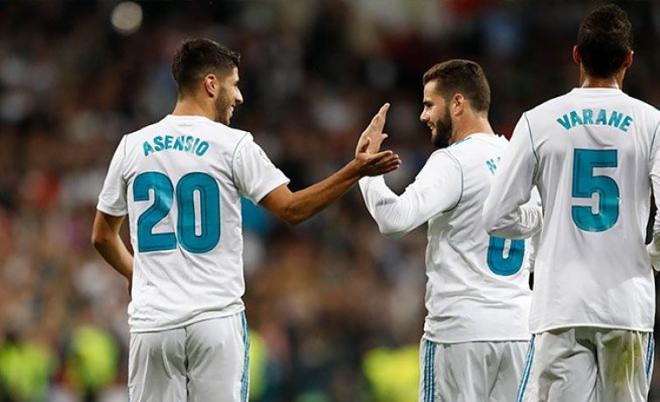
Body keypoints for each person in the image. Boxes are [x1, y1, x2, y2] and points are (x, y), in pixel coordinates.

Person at [90, 38, 400, 402]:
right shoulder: (233, 145)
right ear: (210, 84)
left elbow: (102, 236)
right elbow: (293, 209)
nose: (238, 96)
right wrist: (354, 170)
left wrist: (135, 274)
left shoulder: (132, 145)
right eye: (234, 84)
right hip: (215, 321)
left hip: (153, 324)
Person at [482, 4, 660, 402]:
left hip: (560, 305)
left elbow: (495, 216)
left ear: (576, 55)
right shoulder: (652, 123)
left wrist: (542, 218)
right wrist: (654, 255)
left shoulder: (537, 120)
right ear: (629, 59)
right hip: (625, 306)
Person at [358, 59, 539, 402]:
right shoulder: (522, 160)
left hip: (460, 332)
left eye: (429, 104)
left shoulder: (454, 162)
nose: (423, 115)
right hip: (518, 331)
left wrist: (366, 169)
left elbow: (395, 220)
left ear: (458, 103)